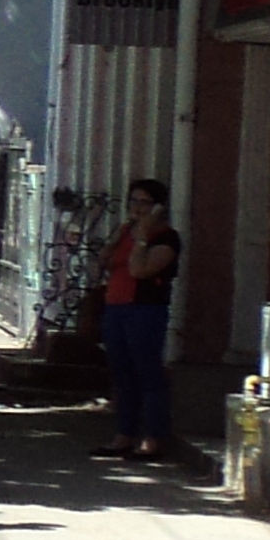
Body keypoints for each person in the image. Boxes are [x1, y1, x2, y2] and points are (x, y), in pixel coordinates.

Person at [96, 177, 182, 461]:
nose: (137, 207)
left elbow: (139, 270)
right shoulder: (125, 231)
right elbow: (103, 261)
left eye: (145, 202)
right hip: (116, 307)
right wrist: (122, 236)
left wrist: (143, 235)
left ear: (158, 207)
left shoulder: (166, 238)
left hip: (145, 310)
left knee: (147, 373)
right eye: (133, 200)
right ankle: (124, 435)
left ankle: (153, 439)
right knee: (122, 374)